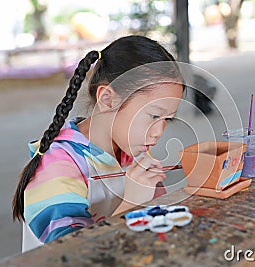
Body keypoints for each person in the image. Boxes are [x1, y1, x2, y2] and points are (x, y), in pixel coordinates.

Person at [12, 35, 184, 252]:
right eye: (152, 116)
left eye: (167, 119)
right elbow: (74, 254)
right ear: (108, 100)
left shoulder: (131, 149)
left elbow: (158, 220)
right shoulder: (57, 166)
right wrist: (131, 204)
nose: (159, 132)